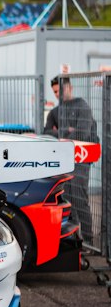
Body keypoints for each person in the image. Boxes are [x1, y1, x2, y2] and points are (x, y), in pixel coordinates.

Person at [44, 75, 96, 244]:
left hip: (81, 157)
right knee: (66, 198)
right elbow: (46, 132)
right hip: (64, 159)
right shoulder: (55, 112)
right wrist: (67, 130)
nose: (57, 95)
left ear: (69, 87)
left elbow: (83, 133)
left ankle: (88, 240)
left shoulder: (83, 107)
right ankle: (72, 239)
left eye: (59, 90)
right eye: (54, 92)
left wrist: (60, 134)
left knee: (80, 198)